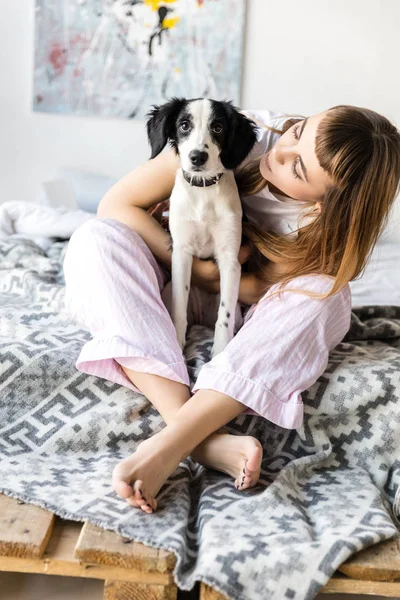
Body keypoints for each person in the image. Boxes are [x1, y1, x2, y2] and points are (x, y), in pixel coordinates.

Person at [63, 105, 400, 514]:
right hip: (172, 278)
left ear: (326, 206)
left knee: (328, 293)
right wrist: (201, 273)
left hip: (247, 313)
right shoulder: (230, 132)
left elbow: (260, 288)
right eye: (297, 131)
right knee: (96, 238)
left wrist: (248, 277)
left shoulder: (326, 230)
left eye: (298, 169)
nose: (280, 152)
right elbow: (116, 203)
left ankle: (169, 444)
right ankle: (196, 440)